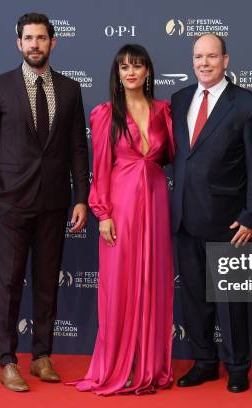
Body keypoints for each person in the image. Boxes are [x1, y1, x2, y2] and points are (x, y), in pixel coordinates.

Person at [0, 13, 89, 392]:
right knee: (8, 283)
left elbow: (77, 147)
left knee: (46, 283)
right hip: (11, 202)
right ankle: (7, 360)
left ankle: (41, 356)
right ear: (18, 43)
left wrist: (81, 198)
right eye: (28, 38)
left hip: (55, 202)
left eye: (42, 38)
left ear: (53, 43)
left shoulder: (71, 89)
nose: (35, 44)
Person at [69, 44, 174, 395]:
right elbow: (99, 168)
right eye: (124, 66)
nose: (130, 72)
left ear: (148, 71)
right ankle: (118, 364)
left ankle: (148, 364)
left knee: (153, 282)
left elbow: (171, 156)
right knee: (119, 286)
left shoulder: (164, 111)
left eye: (137, 65)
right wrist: (103, 214)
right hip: (121, 207)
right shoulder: (104, 113)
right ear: (116, 73)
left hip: (156, 204)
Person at [170, 33, 252, 393]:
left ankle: (238, 365)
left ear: (226, 60)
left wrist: (251, 215)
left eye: (212, 56)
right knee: (194, 298)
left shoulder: (246, 104)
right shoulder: (179, 100)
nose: (205, 63)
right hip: (184, 217)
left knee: (231, 302)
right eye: (199, 57)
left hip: (228, 221)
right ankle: (204, 362)